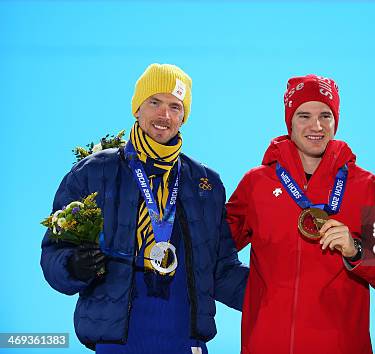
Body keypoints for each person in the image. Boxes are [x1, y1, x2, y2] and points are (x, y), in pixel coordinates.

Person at [40, 63, 248, 353]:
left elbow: (221, 270)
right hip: (118, 340)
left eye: (175, 107)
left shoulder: (205, 183)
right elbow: (53, 253)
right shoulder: (93, 172)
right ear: (137, 109)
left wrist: (282, 296)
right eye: (154, 103)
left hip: (185, 339)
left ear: (183, 117)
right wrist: (73, 266)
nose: (164, 115)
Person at [226, 74, 375, 354]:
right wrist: (252, 297)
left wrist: (356, 251)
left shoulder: (368, 186)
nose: (316, 126)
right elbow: (210, 250)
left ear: (336, 121)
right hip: (266, 345)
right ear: (290, 121)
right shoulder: (256, 184)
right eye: (304, 115)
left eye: (325, 116)